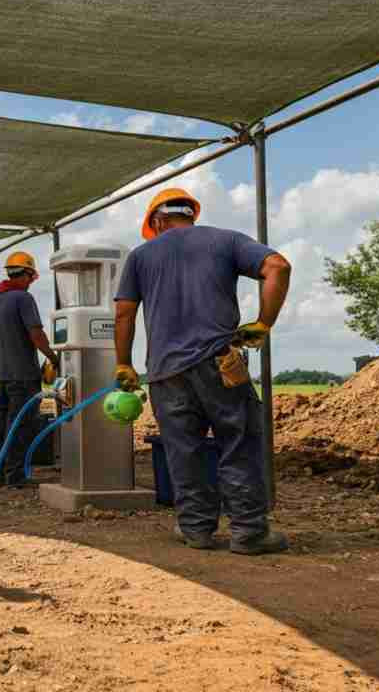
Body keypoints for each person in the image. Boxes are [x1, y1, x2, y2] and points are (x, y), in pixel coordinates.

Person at [113, 188, 292, 555]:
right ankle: (249, 533)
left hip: (165, 373)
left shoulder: (140, 256)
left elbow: (124, 313)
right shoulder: (226, 240)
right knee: (239, 442)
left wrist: (123, 363)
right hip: (220, 363)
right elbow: (278, 267)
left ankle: (196, 529)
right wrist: (263, 323)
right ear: (190, 214)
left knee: (184, 451)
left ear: (157, 221)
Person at [0, 251, 59, 486]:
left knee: (0, 426)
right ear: (26, 274)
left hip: (2, 376)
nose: (31, 283)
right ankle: (15, 476)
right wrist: (53, 357)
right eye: (31, 277)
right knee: (20, 425)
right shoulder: (23, 298)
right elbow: (36, 333)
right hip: (24, 376)